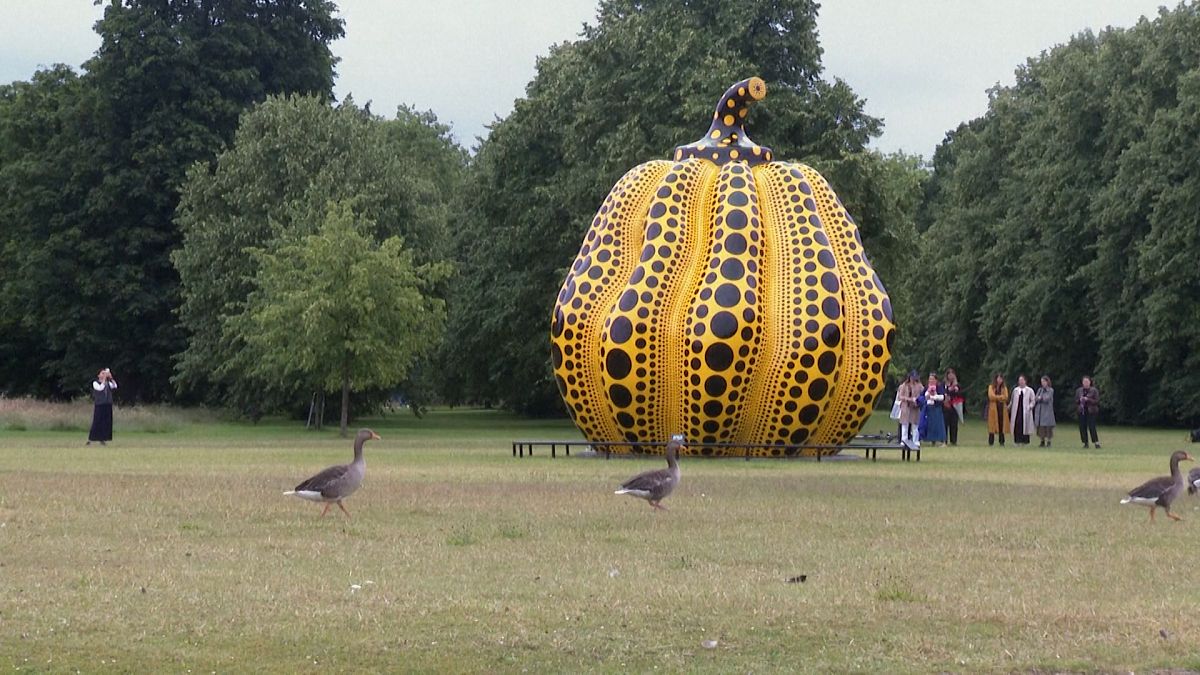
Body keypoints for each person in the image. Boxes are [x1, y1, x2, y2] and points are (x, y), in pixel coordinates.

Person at [87, 368, 117, 445]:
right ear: (98, 375)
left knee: (106, 422)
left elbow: (115, 386)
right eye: (102, 373)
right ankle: (91, 439)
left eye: (104, 373)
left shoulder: (108, 383)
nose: (104, 375)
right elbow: (100, 388)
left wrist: (111, 378)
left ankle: (103, 438)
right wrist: (104, 380)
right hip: (99, 405)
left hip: (107, 404)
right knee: (97, 421)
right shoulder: (95, 383)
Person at [896, 370, 923, 449]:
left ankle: (916, 440)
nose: (913, 379)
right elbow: (900, 396)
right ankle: (904, 440)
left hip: (915, 407)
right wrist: (909, 399)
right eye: (912, 377)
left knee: (915, 424)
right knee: (905, 424)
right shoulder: (904, 386)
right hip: (906, 406)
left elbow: (922, 394)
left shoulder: (919, 386)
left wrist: (918, 400)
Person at [918, 372, 947, 446]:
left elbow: (942, 397)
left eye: (932, 379)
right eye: (930, 379)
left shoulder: (939, 387)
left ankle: (942, 441)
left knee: (939, 425)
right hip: (928, 408)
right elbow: (922, 396)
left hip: (936, 408)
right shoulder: (926, 388)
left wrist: (933, 397)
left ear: (936, 380)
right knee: (930, 425)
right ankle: (931, 440)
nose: (931, 381)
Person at [1009, 374, 1035, 446]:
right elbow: (1012, 400)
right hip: (1016, 411)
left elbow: (1033, 401)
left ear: (1025, 381)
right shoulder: (1015, 390)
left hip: (1026, 411)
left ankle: (1025, 442)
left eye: (1022, 380)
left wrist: (1029, 407)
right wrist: (1008, 407)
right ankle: (1017, 441)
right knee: (1017, 425)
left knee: (1025, 425)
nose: (1021, 382)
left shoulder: (1030, 390)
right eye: (1019, 380)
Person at [1075, 375, 1101, 448]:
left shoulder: (1094, 390)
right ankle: (1085, 443)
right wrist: (1080, 400)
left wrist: (1088, 399)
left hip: (1091, 411)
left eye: (1087, 381)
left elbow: (1097, 401)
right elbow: (1076, 401)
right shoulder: (1079, 391)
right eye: (1084, 382)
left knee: (1092, 427)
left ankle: (1096, 442)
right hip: (1082, 411)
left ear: (1090, 382)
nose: (1085, 383)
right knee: (1082, 427)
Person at [986, 373, 1009, 446]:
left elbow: (1006, 397)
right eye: (998, 378)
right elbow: (991, 396)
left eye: (1001, 379)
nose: (999, 380)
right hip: (993, 409)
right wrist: (1000, 397)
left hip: (1002, 409)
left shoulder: (1004, 388)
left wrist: (997, 397)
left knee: (1001, 425)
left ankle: (1002, 442)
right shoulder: (991, 387)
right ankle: (991, 442)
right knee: (992, 426)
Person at [1034, 375, 1056, 447]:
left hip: (1047, 412)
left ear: (1047, 382)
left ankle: (1049, 442)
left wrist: (1040, 398)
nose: (1043, 383)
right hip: (1040, 412)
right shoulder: (1040, 390)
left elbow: (1046, 399)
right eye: (1042, 382)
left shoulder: (1050, 390)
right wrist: (1039, 398)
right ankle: (1042, 441)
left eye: (1044, 381)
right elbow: (1036, 398)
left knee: (1048, 427)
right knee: (1041, 428)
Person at [944, 368, 964, 445]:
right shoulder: (944, 384)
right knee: (945, 424)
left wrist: (956, 390)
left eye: (952, 374)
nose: (951, 375)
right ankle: (944, 440)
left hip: (955, 406)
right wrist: (949, 389)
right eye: (949, 374)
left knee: (954, 424)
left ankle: (954, 440)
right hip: (946, 406)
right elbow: (943, 393)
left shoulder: (957, 385)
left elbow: (961, 395)